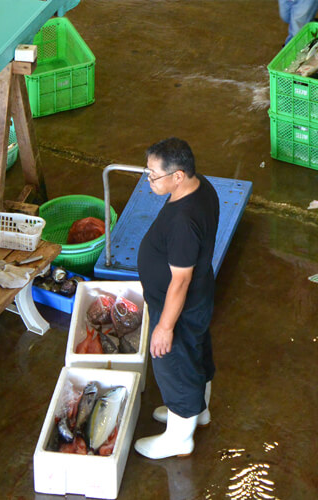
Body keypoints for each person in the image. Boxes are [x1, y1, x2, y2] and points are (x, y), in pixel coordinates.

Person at [134, 137, 219, 460]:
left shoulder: (184, 221)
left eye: (153, 175)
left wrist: (165, 326)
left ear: (178, 175)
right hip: (198, 294)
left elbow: (180, 280)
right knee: (195, 352)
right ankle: (199, 412)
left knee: (174, 365)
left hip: (179, 305)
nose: (149, 180)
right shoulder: (202, 186)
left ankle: (179, 439)